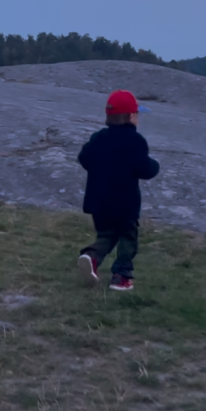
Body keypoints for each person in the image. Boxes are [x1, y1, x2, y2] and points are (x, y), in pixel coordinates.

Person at [76, 90, 160, 291]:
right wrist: (154, 165)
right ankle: (121, 277)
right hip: (124, 204)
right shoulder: (135, 141)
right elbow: (144, 169)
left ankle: (92, 257)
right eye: (137, 114)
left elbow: (84, 158)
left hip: (98, 202)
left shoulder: (99, 137)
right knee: (127, 237)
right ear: (131, 116)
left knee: (107, 235)